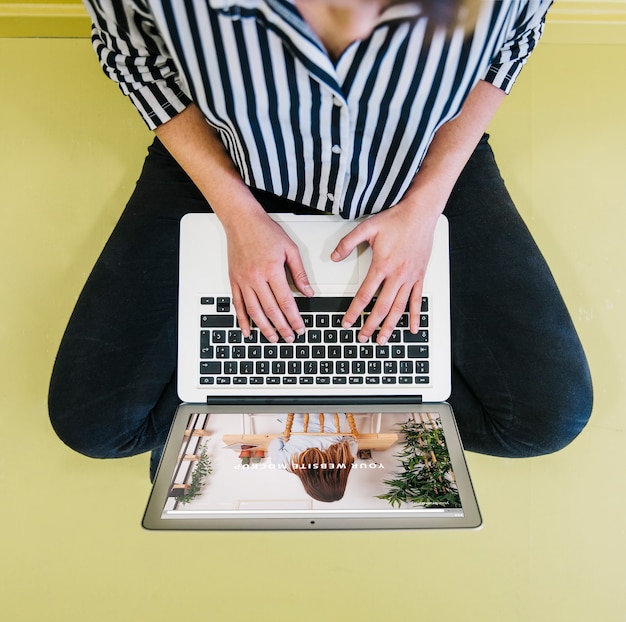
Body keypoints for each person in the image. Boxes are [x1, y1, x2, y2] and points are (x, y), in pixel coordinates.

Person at [48, 0, 593, 480]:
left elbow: (513, 40)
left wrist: (425, 207)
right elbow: (134, 57)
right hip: (230, 160)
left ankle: (299, 385)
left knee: (546, 420)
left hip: (421, 159)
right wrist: (236, 214)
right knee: (93, 426)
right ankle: (329, 383)